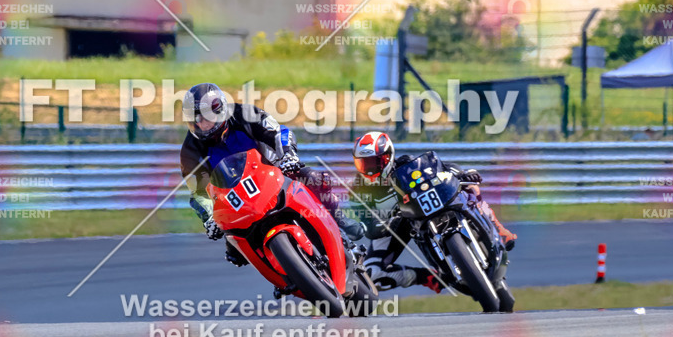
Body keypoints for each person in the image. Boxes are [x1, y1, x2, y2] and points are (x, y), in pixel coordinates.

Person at [179, 83, 364, 266]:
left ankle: (338, 219)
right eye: (196, 120)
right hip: (238, 200)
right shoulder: (190, 151)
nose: (201, 124)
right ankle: (282, 273)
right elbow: (198, 192)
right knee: (235, 252)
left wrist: (288, 156)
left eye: (205, 118)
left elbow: (278, 132)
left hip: (274, 172)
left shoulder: (244, 114)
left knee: (313, 178)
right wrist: (209, 218)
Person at [346, 131, 517, 292]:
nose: (369, 168)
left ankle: (498, 228)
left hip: (420, 210)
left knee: (469, 188)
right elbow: (366, 224)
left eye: (374, 162)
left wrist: (461, 174)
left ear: (388, 156)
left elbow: (442, 168)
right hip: (391, 225)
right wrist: (376, 226)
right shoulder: (357, 191)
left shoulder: (406, 164)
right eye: (363, 163)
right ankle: (428, 277)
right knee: (372, 273)